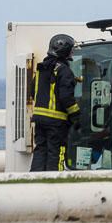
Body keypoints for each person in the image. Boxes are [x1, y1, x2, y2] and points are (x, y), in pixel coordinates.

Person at [30, 34, 80, 172]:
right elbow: (66, 98)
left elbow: (32, 91)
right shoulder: (64, 70)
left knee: (40, 149)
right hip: (56, 122)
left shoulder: (41, 69)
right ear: (65, 51)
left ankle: (35, 180)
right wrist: (76, 116)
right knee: (55, 152)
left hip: (39, 119)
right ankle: (54, 183)